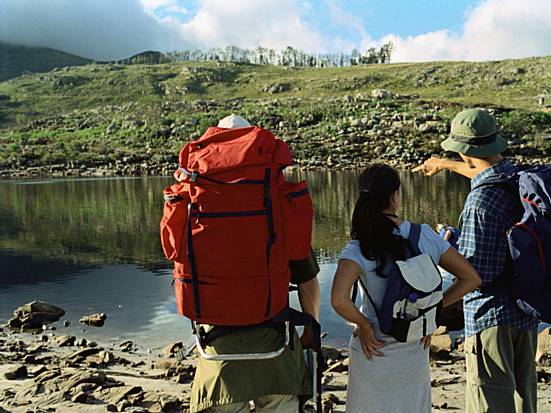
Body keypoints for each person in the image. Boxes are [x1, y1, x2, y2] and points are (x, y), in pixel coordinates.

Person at [189, 115, 321, 413]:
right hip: (275, 348)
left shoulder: (195, 205)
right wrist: (311, 327)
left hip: (217, 353)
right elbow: (308, 281)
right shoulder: (278, 203)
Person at [414, 108, 539, 413]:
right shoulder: (517, 178)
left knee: (490, 404)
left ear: (465, 151)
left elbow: (475, 276)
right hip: (527, 313)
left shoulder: (479, 203)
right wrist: (445, 164)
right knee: (524, 401)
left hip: (491, 319)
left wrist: (434, 305)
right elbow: (482, 172)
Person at [331, 163, 481, 413]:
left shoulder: (359, 247)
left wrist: (364, 325)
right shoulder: (424, 235)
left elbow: (338, 300)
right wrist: (429, 313)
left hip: (373, 348)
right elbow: (471, 279)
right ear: (395, 196)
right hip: (413, 346)